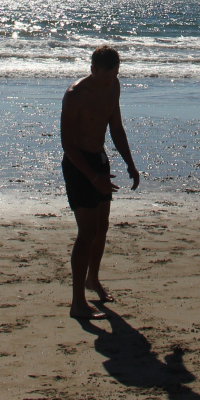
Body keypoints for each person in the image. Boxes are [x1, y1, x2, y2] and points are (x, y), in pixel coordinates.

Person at [60, 46, 140, 320]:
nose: (109, 81)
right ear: (92, 69)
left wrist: (129, 162)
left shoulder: (113, 87)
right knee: (87, 231)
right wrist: (93, 178)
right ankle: (77, 302)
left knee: (102, 227)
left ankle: (92, 279)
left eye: (114, 75)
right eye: (105, 76)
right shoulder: (75, 95)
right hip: (78, 165)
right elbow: (67, 145)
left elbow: (115, 126)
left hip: (99, 159)